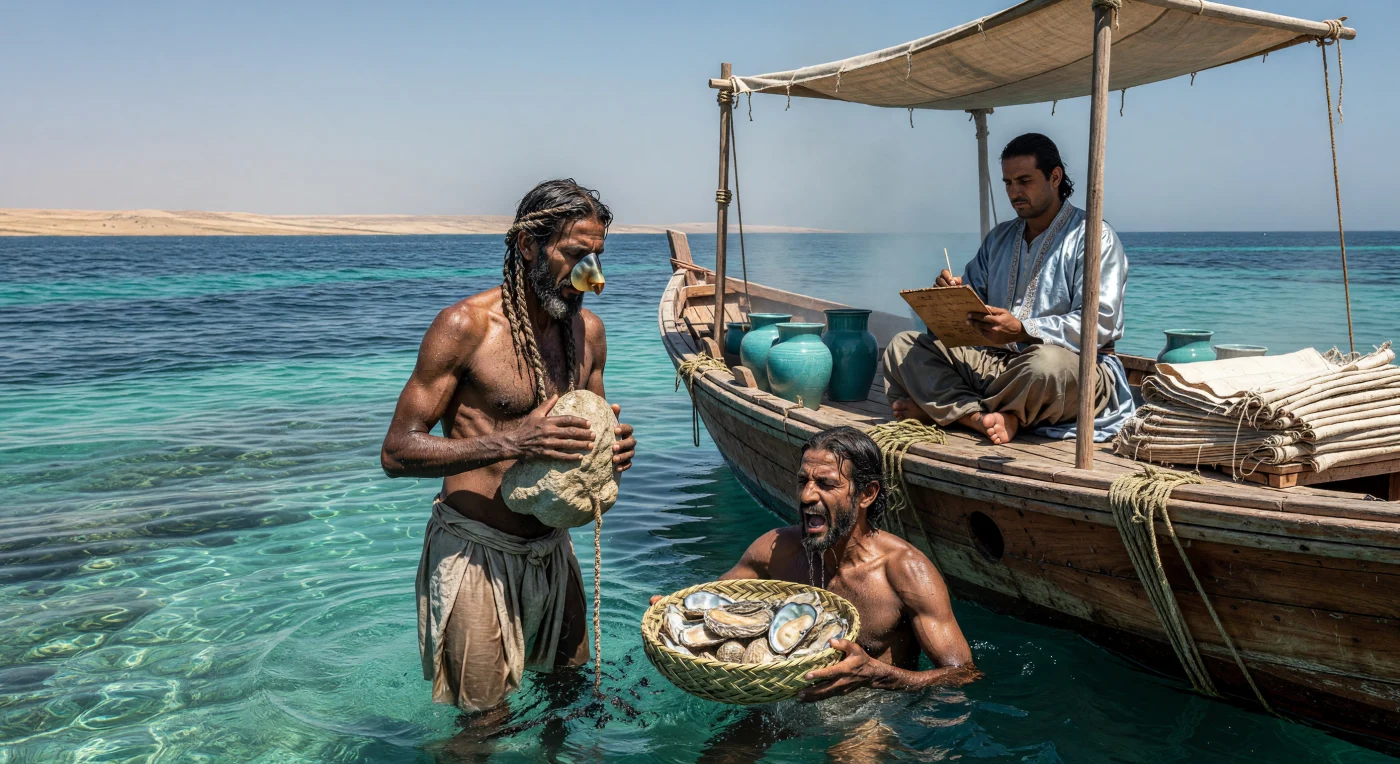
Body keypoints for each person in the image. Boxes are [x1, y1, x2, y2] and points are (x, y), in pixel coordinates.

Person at [380, 179, 636, 714]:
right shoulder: (465, 327)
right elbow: (397, 452)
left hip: (553, 549)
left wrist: (615, 452)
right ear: (528, 246)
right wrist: (514, 440)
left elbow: (594, 432)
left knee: (569, 698)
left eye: (597, 257)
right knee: (484, 726)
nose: (593, 276)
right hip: (476, 551)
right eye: (576, 255)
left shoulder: (588, 333)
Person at [665, 426, 979, 701]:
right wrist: (671, 613)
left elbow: (964, 674)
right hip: (788, 695)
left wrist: (878, 674)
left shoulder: (904, 572)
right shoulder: (776, 550)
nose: (806, 496)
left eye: (825, 484)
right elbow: (706, 607)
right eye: (803, 481)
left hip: (873, 705)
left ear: (866, 494)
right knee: (725, 747)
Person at [883, 132, 1135, 444]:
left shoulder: (1094, 237)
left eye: (1024, 181)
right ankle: (981, 418)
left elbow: (1100, 323)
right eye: (1007, 183)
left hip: (1071, 370)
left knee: (1046, 364)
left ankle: (947, 409)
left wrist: (1022, 330)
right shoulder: (999, 238)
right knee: (903, 347)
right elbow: (971, 314)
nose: (1014, 192)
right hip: (997, 365)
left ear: (1055, 177)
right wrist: (950, 298)